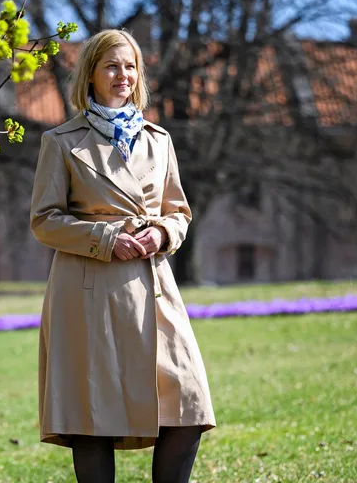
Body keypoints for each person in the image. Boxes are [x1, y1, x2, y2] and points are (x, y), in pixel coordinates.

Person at [29, 29, 217, 483]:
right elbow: (44, 220)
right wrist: (105, 237)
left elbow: (179, 212)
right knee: (92, 416)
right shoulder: (61, 141)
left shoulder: (159, 140)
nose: (123, 75)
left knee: (188, 405)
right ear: (91, 74)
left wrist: (164, 235)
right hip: (88, 290)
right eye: (112, 65)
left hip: (154, 286)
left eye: (131, 66)